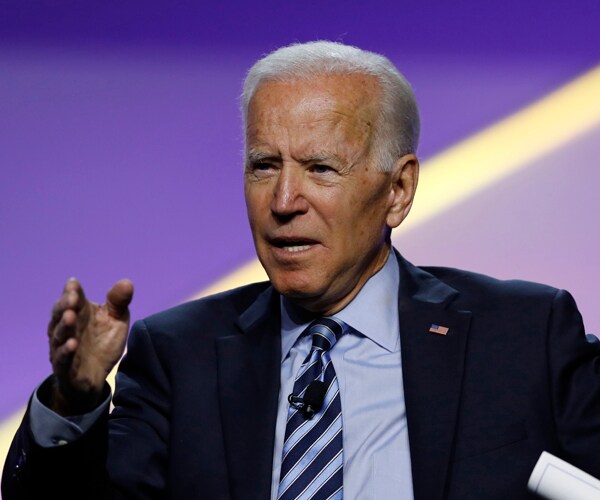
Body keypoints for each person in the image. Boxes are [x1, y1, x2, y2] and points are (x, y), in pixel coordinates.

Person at [2, 41, 600, 500]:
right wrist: (73, 401)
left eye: (320, 168)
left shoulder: (526, 335)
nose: (284, 200)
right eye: (264, 166)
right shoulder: (178, 356)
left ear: (398, 189)